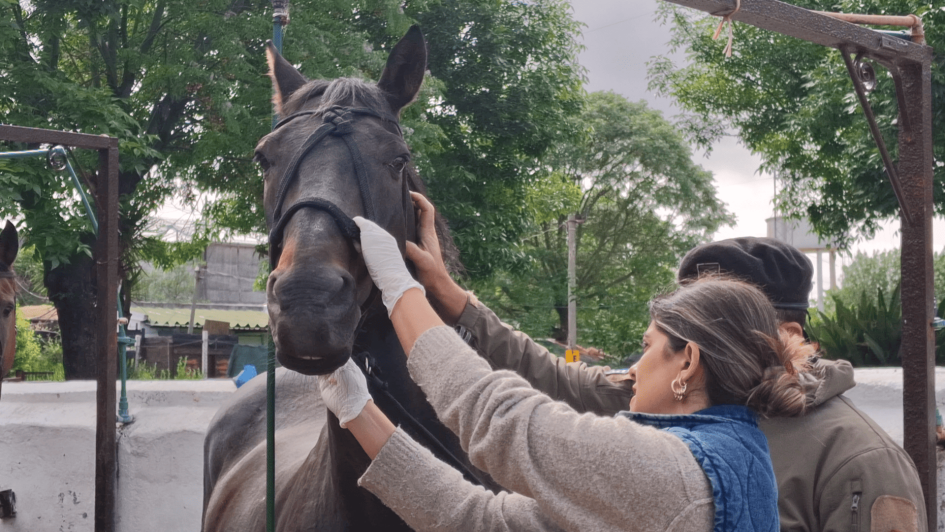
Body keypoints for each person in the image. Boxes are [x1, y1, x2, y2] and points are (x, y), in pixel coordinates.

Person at [408, 189, 925, 532]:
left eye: (715, 319)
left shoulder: (858, 458)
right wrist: (449, 294)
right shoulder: (677, 401)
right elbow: (560, 379)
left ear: (787, 333)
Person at [316, 213, 815, 531]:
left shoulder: (666, 473)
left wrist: (400, 288)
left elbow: (497, 415)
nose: (634, 367)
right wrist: (359, 412)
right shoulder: (737, 456)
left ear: (688, 361)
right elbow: (477, 518)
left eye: (647, 347)